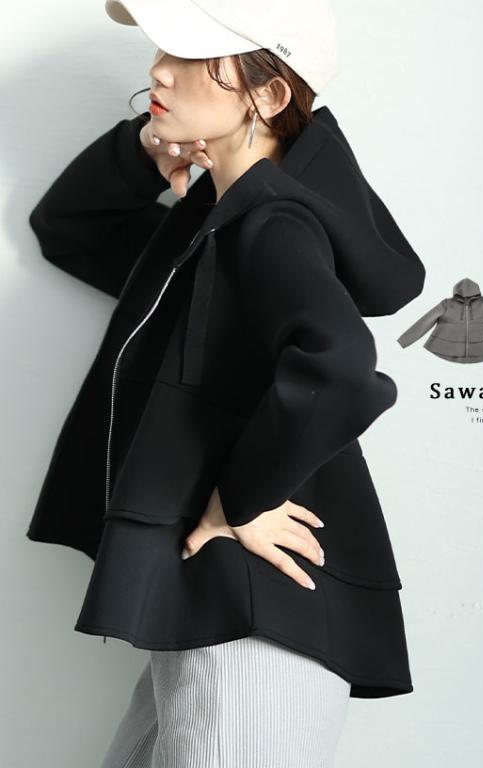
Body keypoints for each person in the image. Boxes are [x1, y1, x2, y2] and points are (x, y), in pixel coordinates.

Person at [26, 0, 426, 765]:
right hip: (218, 606)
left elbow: (343, 369)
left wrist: (238, 501)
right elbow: (69, 228)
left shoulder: (271, 225)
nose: (157, 72)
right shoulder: (210, 226)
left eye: (188, 57)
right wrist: (150, 148)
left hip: (256, 612)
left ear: (268, 94)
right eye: (161, 51)